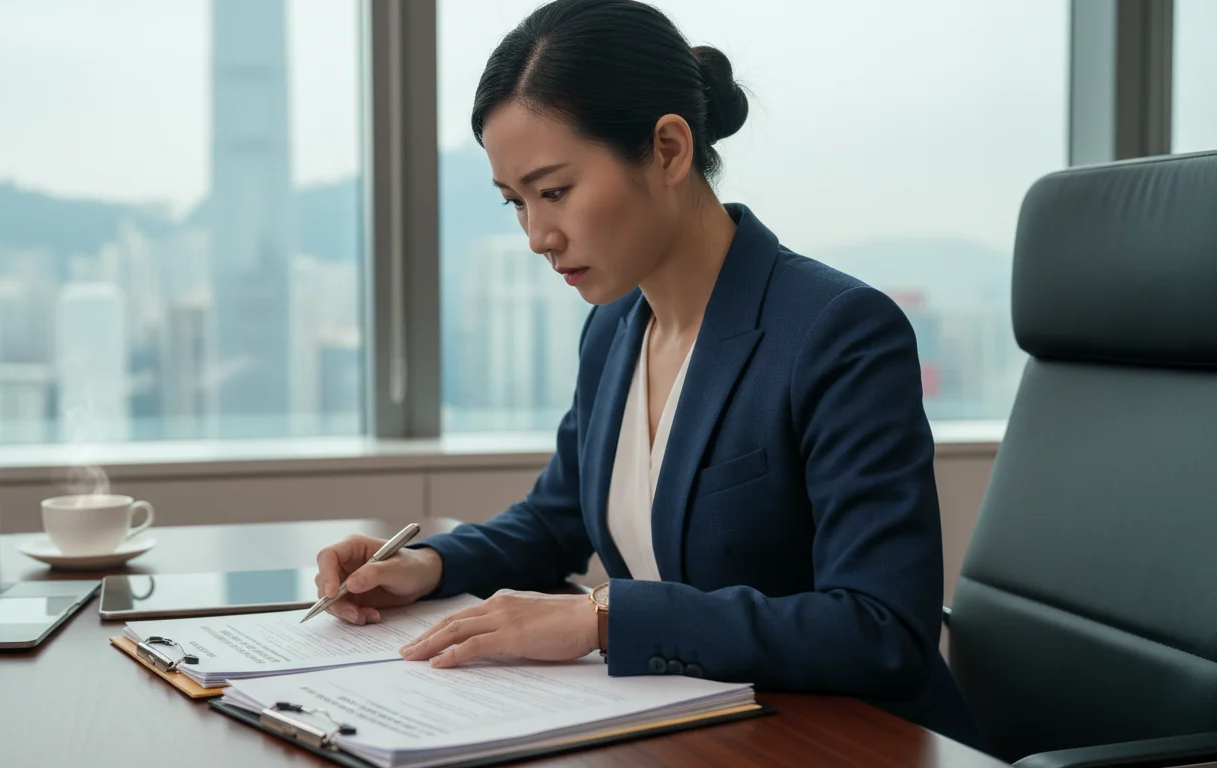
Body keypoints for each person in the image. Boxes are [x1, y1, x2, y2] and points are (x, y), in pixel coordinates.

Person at [314, 0, 984, 750]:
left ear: (667, 149)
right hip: (704, 733)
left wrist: (601, 618)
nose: (537, 236)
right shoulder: (614, 328)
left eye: (555, 191)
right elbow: (557, 518)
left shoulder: (837, 333)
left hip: (851, 744)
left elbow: (879, 628)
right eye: (516, 203)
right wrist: (424, 565)